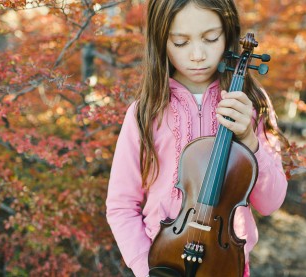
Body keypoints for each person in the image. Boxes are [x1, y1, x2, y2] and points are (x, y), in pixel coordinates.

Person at [106, 0, 288, 276]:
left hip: (226, 264)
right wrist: (147, 267)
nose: (198, 55)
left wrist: (249, 139)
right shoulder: (145, 111)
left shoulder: (251, 103)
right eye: (180, 42)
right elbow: (121, 205)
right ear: (161, 41)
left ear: (228, 33)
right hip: (162, 264)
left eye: (211, 38)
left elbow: (270, 202)